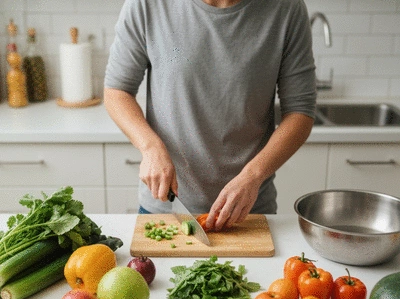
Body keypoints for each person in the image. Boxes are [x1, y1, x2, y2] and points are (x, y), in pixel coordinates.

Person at [104, 0, 316, 231]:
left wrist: (253, 176)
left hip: (247, 211)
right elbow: (117, 92)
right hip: (167, 207)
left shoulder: (287, 9)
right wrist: (150, 147)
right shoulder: (146, 4)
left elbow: (300, 112)